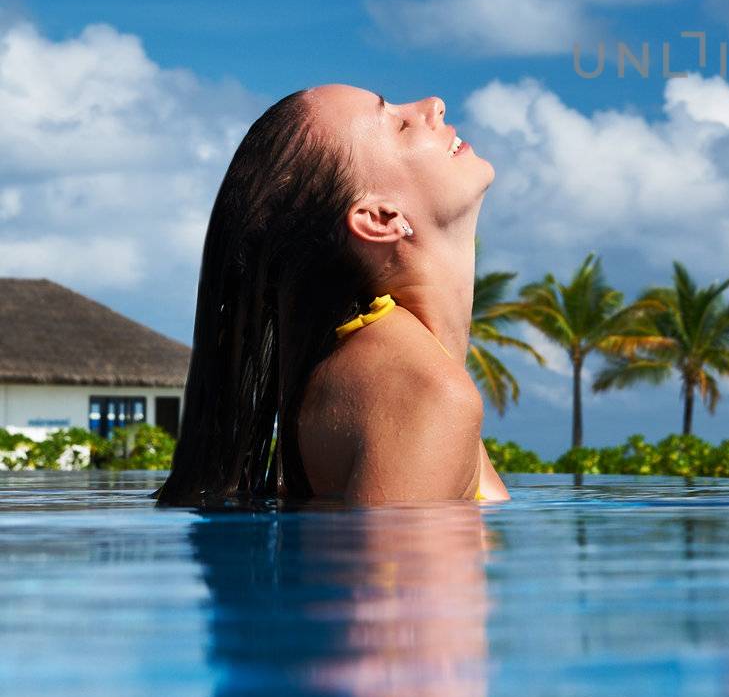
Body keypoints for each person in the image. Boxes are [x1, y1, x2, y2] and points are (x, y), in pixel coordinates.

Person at [154, 85, 510, 508]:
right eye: (398, 124)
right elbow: (388, 573)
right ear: (380, 219)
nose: (434, 104)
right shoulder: (425, 393)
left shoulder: (381, 370)